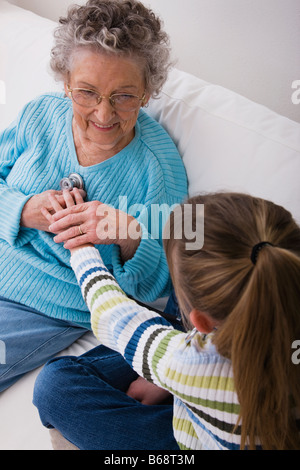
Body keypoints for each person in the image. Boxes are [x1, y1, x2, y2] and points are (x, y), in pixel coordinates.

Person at [0, 0, 188, 392]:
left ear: (148, 91)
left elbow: (160, 287)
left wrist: (130, 235)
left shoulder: (157, 168)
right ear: (66, 83)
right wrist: (22, 210)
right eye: (86, 92)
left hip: (39, 307)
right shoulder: (39, 115)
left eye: (123, 96)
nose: (103, 115)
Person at [33, 191, 300, 450]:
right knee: (194, 273)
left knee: (54, 388)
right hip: (233, 407)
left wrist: (79, 246)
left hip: (204, 427)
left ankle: (164, 363)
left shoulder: (196, 364)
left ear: (201, 324)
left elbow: (113, 315)